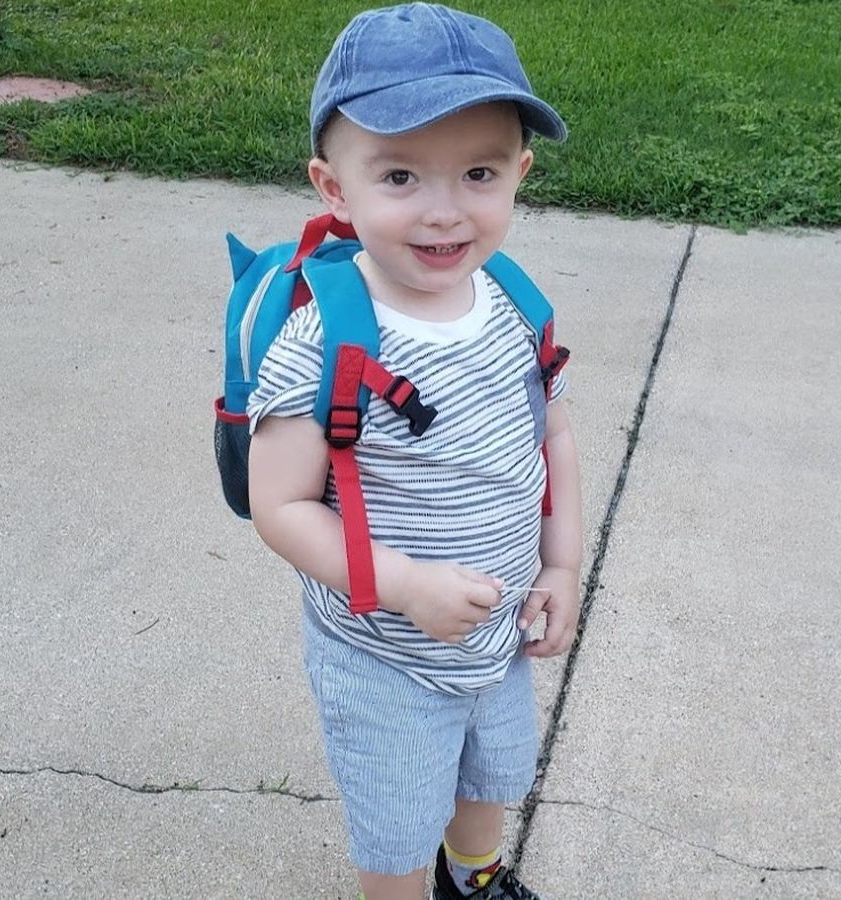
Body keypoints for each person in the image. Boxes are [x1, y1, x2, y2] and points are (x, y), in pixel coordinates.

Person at [247, 4, 582, 898]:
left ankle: (475, 879)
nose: (444, 211)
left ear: (519, 173)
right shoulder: (325, 342)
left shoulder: (512, 305)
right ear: (334, 188)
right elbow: (278, 506)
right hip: (383, 655)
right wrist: (402, 585)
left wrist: (562, 565)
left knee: (489, 778)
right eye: (399, 176)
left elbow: (551, 436)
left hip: (497, 633)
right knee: (396, 825)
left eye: (478, 173)